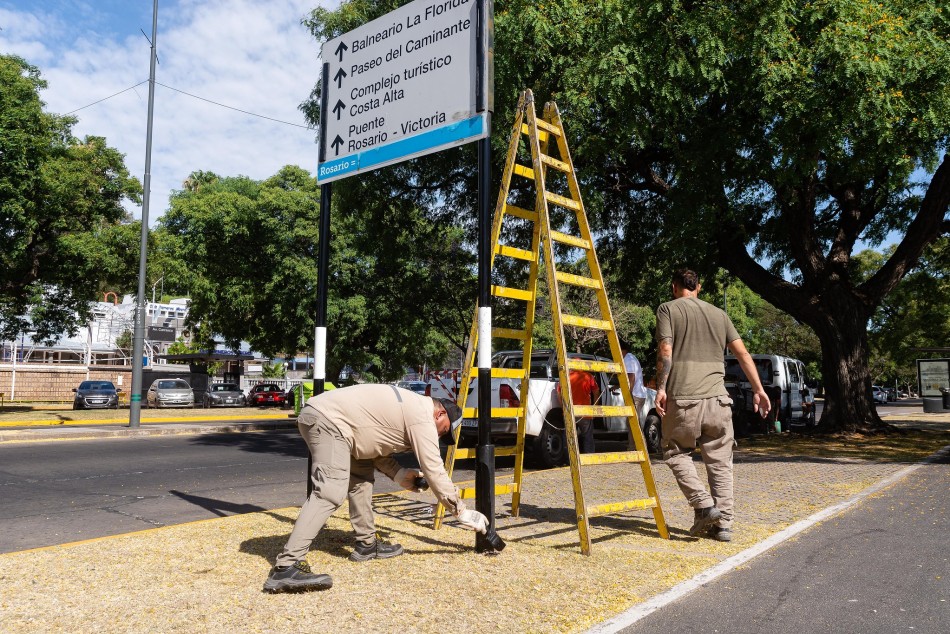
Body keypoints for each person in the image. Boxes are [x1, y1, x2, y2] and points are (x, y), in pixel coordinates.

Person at [263, 384, 489, 594]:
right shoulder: (423, 416)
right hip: (329, 421)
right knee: (330, 492)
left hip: (342, 426)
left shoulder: (412, 408)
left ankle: (367, 545)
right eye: (443, 430)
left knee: (360, 480)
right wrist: (460, 512)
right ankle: (287, 566)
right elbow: (434, 469)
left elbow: (374, 446)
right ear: (440, 415)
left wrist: (399, 475)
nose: (439, 436)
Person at [654, 269, 770, 543]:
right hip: (719, 400)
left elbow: (665, 351)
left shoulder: (667, 309)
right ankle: (724, 524)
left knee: (675, 452)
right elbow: (742, 354)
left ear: (674, 287)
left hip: (683, 398)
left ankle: (704, 505)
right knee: (720, 461)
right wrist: (758, 389)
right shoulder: (720, 315)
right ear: (699, 287)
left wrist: (661, 387)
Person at [560, 369, 600, 454]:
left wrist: (563, 408)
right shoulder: (588, 376)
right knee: (587, 437)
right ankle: (589, 458)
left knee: (569, 438)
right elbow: (596, 392)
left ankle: (568, 461)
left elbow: (559, 393)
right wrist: (595, 408)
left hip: (569, 412)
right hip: (585, 413)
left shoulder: (565, 376)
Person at [619, 339, 648, 415]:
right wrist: (617, 386)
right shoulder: (631, 357)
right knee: (634, 423)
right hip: (638, 394)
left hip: (635, 395)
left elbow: (631, 377)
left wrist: (629, 394)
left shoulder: (628, 359)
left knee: (631, 423)